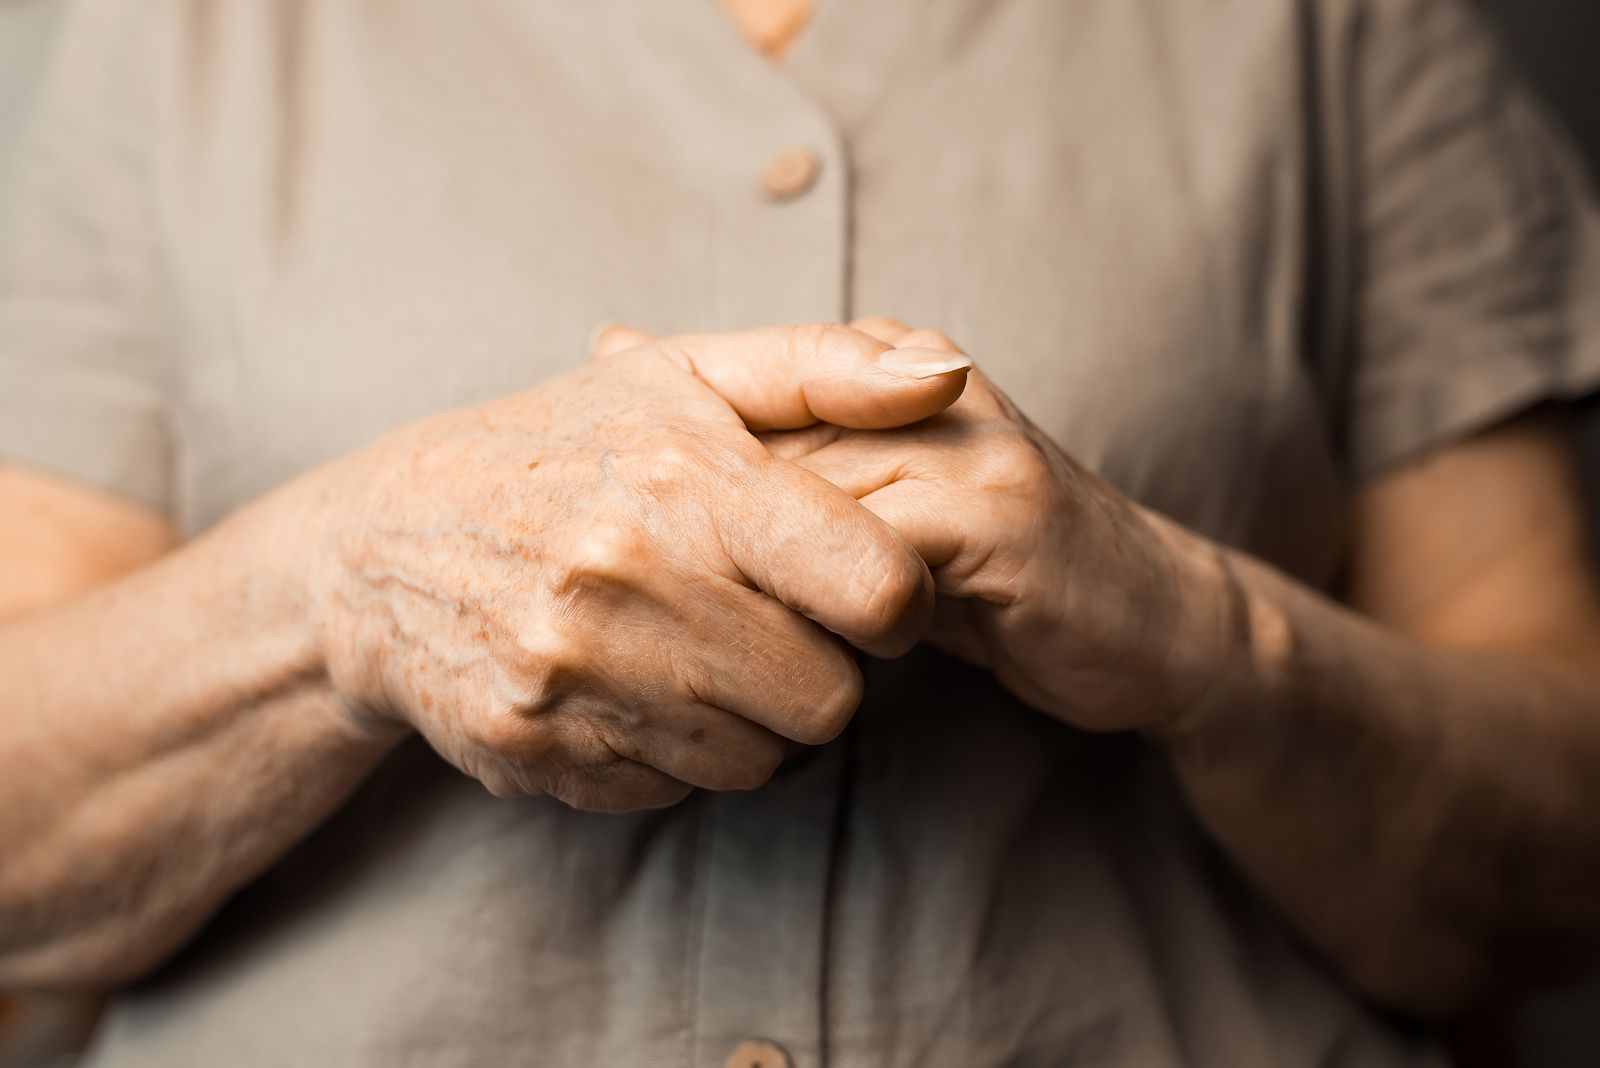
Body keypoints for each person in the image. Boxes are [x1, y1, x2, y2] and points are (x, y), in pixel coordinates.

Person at [2, 0, 1600, 1064]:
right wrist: (344, 577)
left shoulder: (1336, 32)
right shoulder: (173, 36)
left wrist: (1203, 630)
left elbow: (1560, 860)